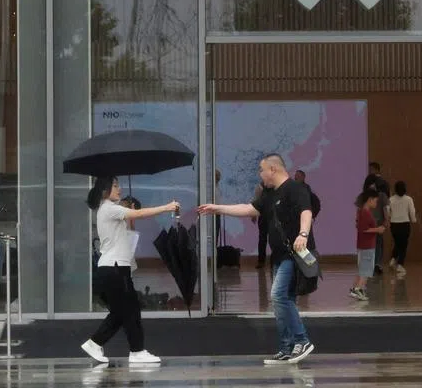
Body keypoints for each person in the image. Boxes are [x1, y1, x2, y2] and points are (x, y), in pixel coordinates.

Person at [199, 153, 316, 366]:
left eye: (261, 170)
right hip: (279, 255)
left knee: (278, 296)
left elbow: (306, 213)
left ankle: (302, 340)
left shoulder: (295, 189)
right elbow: (248, 209)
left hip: (293, 255)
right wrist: (217, 208)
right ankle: (287, 348)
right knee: (284, 300)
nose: (260, 174)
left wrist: (303, 234)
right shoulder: (270, 193)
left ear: (273, 169)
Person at [80, 176, 179, 366]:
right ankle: (136, 351)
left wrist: (130, 215)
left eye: (118, 185)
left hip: (116, 268)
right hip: (115, 268)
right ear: (105, 190)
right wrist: (167, 207)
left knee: (123, 311)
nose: (119, 189)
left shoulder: (109, 209)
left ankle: (97, 343)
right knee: (129, 311)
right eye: (115, 185)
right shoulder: (109, 208)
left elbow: (129, 228)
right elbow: (140, 214)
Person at [350, 188, 383, 301]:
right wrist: (377, 229)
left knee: (362, 268)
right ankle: (359, 289)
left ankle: (355, 288)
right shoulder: (365, 212)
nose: (376, 203)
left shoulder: (361, 211)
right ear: (370, 199)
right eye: (375, 201)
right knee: (366, 270)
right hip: (367, 245)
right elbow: (363, 229)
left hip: (363, 244)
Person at [362, 162, 390, 274]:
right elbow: (385, 207)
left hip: (374, 221)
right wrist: (386, 219)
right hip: (376, 221)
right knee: (377, 242)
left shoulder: (372, 195)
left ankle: (374, 263)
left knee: (374, 242)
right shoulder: (381, 194)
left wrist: (386, 219)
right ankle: (376, 263)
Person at [387, 180, 417, 277]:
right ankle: (400, 264)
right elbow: (412, 211)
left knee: (397, 243)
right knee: (403, 245)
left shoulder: (391, 199)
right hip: (405, 224)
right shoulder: (408, 199)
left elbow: (388, 212)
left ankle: (393, 259)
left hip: (394, 224)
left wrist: (390, 218)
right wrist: (414, 220)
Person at [253, 180, 269, 269]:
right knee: (262, 239)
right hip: (263, 216)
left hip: (273, 217)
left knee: (274, 240)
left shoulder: (275, 185)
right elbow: (256, 201)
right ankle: (261, 261)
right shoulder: (259, 187)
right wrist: (253, 214)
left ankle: (275, 261)